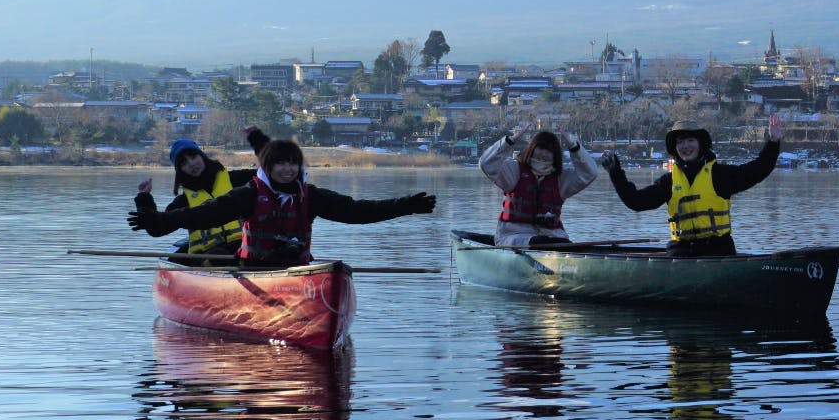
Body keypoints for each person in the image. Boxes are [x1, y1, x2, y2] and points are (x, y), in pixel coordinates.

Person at [128, 134, 437, 266]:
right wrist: (154, 214)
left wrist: (406, 206)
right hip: (248, 270)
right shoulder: (248, 193)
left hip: (292, 269)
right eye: (280, 164)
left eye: (293, 163)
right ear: (269, 168)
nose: (287, 170)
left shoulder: (310, 196)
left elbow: (355, 211)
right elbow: (204, 215)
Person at [599, 114, 783, 257]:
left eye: (690, 140)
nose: (685, 146)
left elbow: (758, 170)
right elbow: (636, 202)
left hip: (718, 251)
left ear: (701, 144)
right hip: (681, 253)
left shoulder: (720, 175)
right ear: (675, 148)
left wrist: (773, 143)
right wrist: (616, 173)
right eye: (680, 142)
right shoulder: (668, 182)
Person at [133, 129, 267, 256]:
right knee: (217, 255)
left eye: (193, 156)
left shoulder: (238, 179)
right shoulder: (183, 201)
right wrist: (144, 198)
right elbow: (157, 228)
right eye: (184, 163)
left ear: (202, 156)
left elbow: (270, 175)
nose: (191, 164)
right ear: (180, 171)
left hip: (247, 250)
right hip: (207, 260)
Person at [479, 128, 599, 247]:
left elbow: (589, 174)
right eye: (540, 148)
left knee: (558, 243)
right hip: (514, 236)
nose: (544, 154)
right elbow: (487, 164)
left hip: (553, 237)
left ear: (555, 155)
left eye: (549, 151)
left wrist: (574, 147)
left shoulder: (561, 178)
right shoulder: (515, 170)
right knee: (539, 241)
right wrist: (509, 141)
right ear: (532, 148)